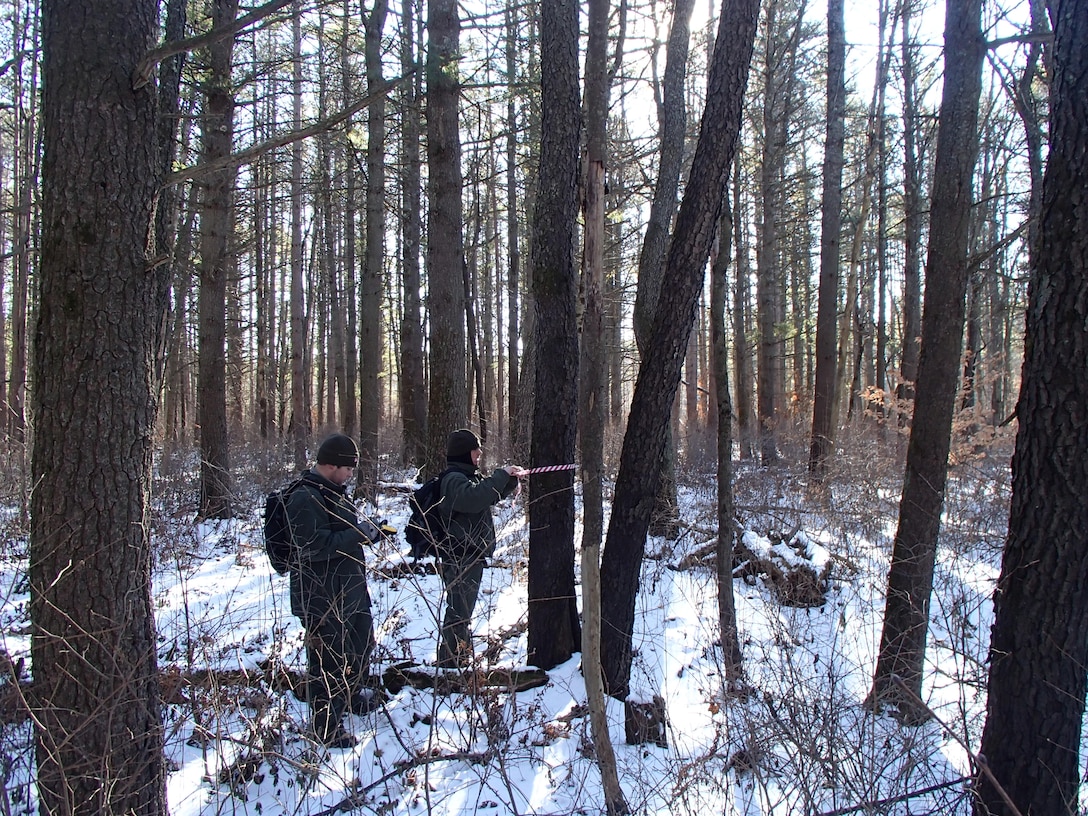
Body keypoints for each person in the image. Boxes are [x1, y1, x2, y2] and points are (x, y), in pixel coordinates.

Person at [286, 433, 382, 748]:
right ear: (330, 465)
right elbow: (313, 546)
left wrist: (368, 534)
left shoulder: (335, 492)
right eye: (348, 468)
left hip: (350, 589)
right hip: (321, 597)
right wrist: (357, 535)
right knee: (327, 661)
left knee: (360, 646)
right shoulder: (304, 497)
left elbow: (343, 536)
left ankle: (350, 696)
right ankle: (325, 727)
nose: (351, 474)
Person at [436, 429, 526, 668]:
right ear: (466, 453)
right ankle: (450, 664)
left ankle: (458, 659)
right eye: (476, 449)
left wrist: (508, 483)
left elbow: (485, 496)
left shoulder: (467, 478)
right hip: (460, 558)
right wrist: (500, 475)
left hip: (469, 557)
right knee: (459, 612)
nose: (479, 453)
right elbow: (474, 498)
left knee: (462, 612)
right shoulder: (454, 480)